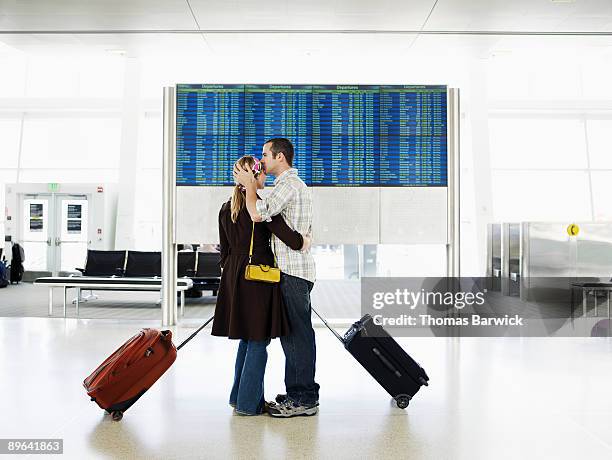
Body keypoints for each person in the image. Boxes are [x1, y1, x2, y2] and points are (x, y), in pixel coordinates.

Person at [212, 155, 310, 416]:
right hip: (258, 278)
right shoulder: (260, 209)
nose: (266, 178)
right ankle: (249, 404)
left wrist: (233, 271)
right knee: (258, 340)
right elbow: (288, 237)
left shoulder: (226, 207)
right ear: (253, 177)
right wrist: (305, 241)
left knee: (246, 339)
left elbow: (224, 251)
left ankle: (238, 397)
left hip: (234, 275)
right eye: (262, 174)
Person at [234, 138, 318, 418]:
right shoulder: (293, 186)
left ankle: (303, 397)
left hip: (293, 272)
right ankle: (299, 391)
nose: (262, 161)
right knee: (295, 336)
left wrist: (248, 186)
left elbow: (259, 214)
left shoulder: (287, 185)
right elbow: (288, 230)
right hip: (296, 269)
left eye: (265, 155)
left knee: (297, 337)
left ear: (280, 157)